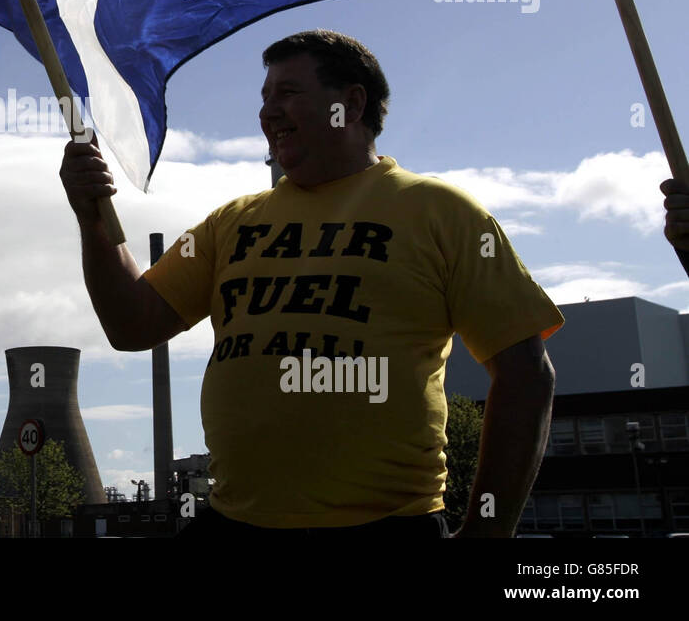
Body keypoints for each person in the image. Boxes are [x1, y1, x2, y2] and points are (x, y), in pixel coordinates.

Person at [60, 29, 562, 538]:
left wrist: (487, 532)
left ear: (352, 102)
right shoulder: (229, 223)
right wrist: (92, 221)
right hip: (234, 524)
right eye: (264, 97)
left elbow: (525, 376)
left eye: (288, 93)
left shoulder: (443, 213)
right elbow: (131, 324)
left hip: (386, 527)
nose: (268, 113)